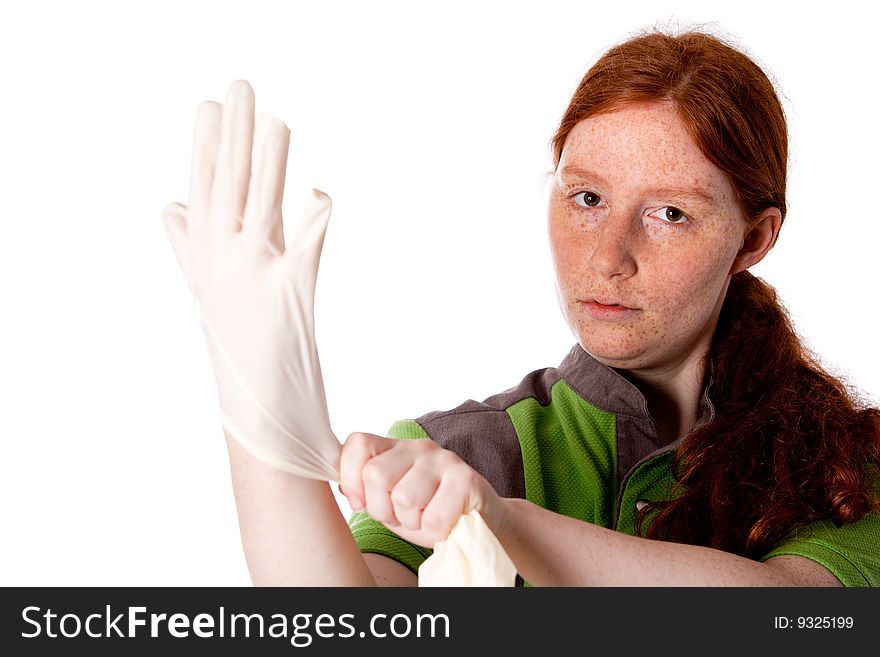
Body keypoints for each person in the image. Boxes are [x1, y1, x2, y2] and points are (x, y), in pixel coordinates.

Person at [166, 28, 880, 586]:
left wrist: (503, 521)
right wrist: (254, 411)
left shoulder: (843, 463)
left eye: (668, 212)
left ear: (753, 238)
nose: (609, 256)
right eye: (587, 198)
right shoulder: (465, 454)